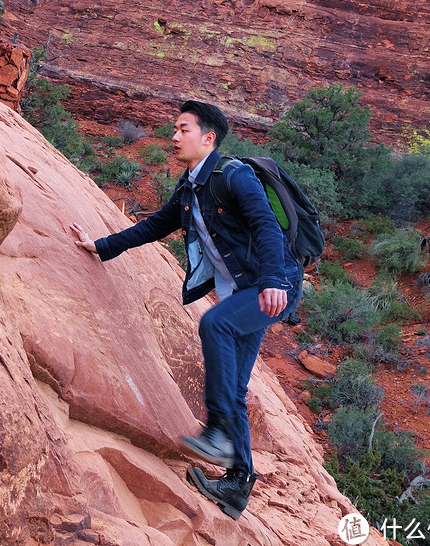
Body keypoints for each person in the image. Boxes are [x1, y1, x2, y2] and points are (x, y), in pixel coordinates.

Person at [70, 100, 303, 520]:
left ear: (208, 138)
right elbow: (155, 226)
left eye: (183, 129)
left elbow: (267, 227)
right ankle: (237, 484)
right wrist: (101, 247)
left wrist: (273, 281)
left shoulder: (233, 175)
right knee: (234, 387)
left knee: (214, 324)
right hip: (245, 291)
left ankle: (216, 433)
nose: (174, 137)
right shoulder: (190, 186)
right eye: (174, 130)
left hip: (272, 285)